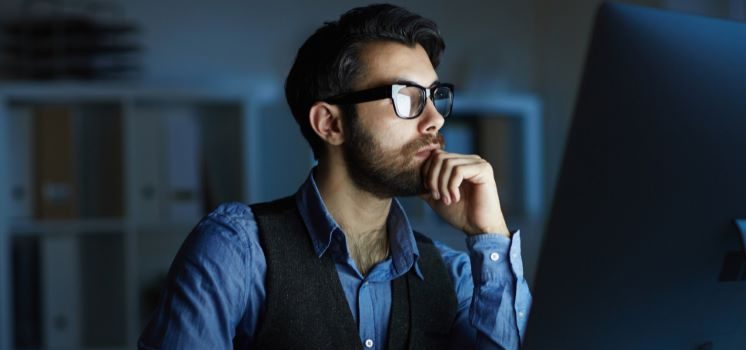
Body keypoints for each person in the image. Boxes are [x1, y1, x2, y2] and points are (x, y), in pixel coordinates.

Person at [138, 4, 531, 350]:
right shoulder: (236, 252)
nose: (436, 119)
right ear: (330, 123)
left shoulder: (457, 274)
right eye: (407, 97)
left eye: (434, 96)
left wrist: (490, 234)